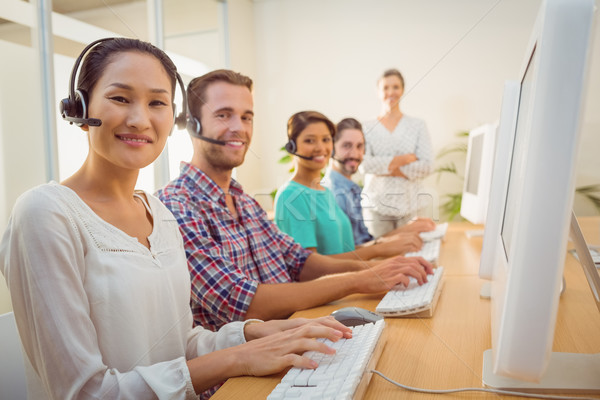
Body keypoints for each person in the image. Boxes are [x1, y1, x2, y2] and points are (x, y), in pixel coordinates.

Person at [0, 38, 355, 400]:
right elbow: (87, 392)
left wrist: (251, 334)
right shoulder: (46, 214)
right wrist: (239, 357)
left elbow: (179, 342)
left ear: (172, 119)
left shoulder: (160, 215)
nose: (140, 120)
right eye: (120, 98)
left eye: (157, 103)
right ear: (79, 107)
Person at [157, 69, 433, 332]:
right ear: (191, 125)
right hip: (247, 365)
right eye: (223, 115)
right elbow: (241, 302)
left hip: (299, 327)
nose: (238, 128)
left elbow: (300, 261)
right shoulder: (178, 205)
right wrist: (358, 279)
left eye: (246, 117)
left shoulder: (244, 202)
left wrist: (377, 269)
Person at [274, 111, 425, 258]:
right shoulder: (292, 195)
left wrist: (400, 237)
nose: (320, 147)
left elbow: (348, 250)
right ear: (292, 147)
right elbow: (309, 268)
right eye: (309, 140)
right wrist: (380, 256)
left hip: (351, 278)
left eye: (326, 140)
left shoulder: (324, 192)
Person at [323, 117, 436, 247]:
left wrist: (408, 229)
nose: (354, 153)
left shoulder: (351, 188)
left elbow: (367, 243)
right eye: (346, 146)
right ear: (331, 148)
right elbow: (351, 254)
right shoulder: (335, 193)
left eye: (360, 146)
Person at [361, 68, 435, 238]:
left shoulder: (417, 125)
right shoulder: (366, 127)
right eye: (385, 88)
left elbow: (427, 166)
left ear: (402, 89)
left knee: (412, 255)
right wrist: (403, 160)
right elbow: (364, 164)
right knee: (380, 257)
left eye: (395, 87)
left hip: (411, 205)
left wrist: (383, 167)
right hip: (376, 206)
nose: (391, 92)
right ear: (378, 92)